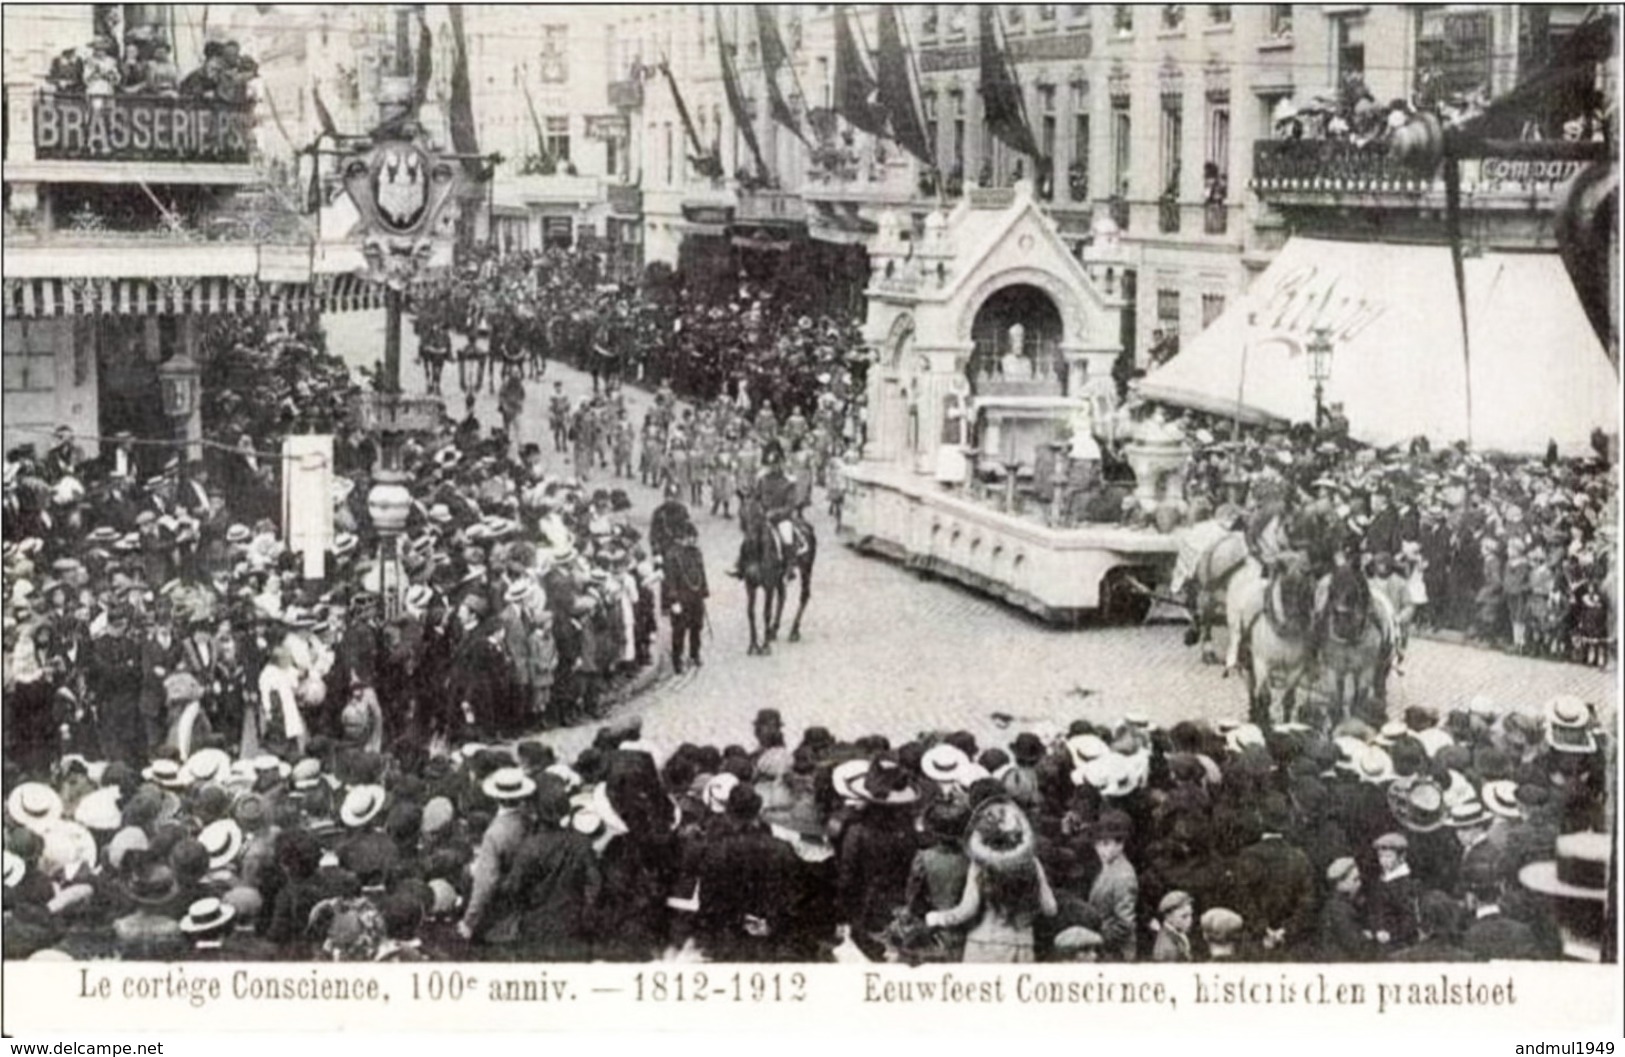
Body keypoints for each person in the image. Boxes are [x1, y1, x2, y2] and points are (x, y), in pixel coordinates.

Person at [661, 521, 708, 674]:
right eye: (691, 537)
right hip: (681, 598)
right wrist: (673, 600)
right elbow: (670, 580)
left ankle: (694, 654)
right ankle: (677, 660)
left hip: (695, 597)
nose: (694, 540)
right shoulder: (673, 555)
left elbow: (701, 572)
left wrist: (704, 590)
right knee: (679, 630)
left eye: (694, 538)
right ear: (683, 537)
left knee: (697, 626)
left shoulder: (696, 552)